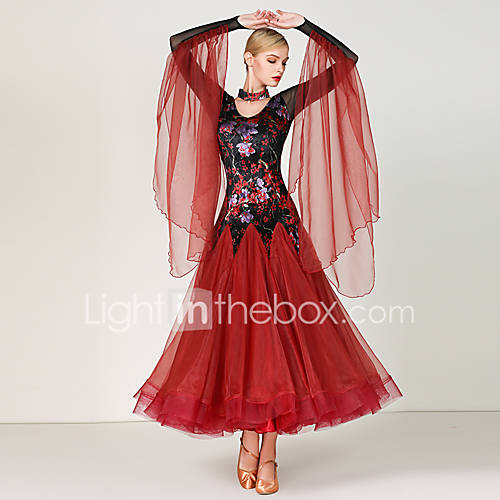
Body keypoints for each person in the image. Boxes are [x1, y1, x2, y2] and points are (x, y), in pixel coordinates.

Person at [133, 9, 403, 494]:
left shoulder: (284, 105)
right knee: (238, 340)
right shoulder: (219, 103)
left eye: (284, 61)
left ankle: (269, 450)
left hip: (280, 235)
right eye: (272, 60)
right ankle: (246, 442)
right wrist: (236, 22)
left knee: (278, 340)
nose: (280, 69)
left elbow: (346, 63)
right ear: (249, 59)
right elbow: (179, 48)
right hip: (233, 236)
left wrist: (304, 26)